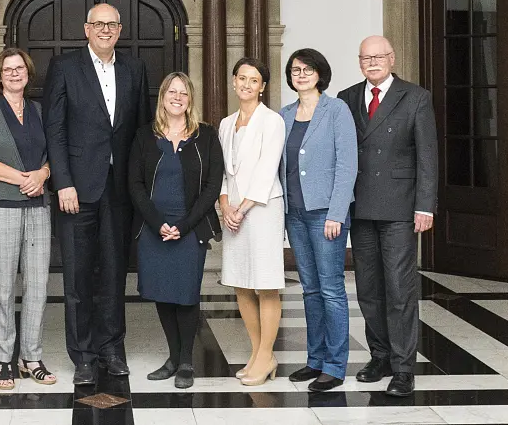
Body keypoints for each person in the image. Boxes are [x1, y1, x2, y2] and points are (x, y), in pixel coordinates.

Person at [43, 3, 151, 385]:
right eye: (98, 24)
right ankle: (84, 355)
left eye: (112, 24)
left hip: (119, 190)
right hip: (77, 189)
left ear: (120, 30)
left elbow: (140, 133)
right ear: (86, 28)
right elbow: (54, 130)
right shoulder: (65, 67)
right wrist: (63, 182)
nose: (105, 30)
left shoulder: (135, 69)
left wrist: (140, 187)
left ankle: (111, 348)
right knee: (77, 278)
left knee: (113, 273)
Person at [337, 36, 438, 397]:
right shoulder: (347, 98)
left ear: (392, 58)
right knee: (368, 288)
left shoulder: (416, 96)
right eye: (366, 58)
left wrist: (425, 205)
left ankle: (403, 367)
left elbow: (427, 154)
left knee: (399, 288)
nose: (372, 62)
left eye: (379, 56)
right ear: (359, 61)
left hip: (399, 207)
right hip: (360, 206)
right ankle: (378, 355)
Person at [129, 72, 223, 389]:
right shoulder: (145, 136)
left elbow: (212, 186)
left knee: (185, 295)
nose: (178, 97)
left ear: (190, 99)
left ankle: (186, 361)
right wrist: (158, 224)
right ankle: (172, 357)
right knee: (162, 295)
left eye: (183, 92)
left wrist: (183, 226)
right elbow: (135, 185)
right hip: (153, 229)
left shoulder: (206, 136)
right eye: (172, 91)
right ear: (163, 97)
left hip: (191, 228)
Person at [0, 48, 55, 391]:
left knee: (38, 286)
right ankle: (4, 359)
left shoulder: (37, 110)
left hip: (38, 206)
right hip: (2, 204)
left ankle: (30, 356)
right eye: (8, 70)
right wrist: (23, 178)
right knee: (4, 287)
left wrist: (44, 174)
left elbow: (51, 156)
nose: (15, 74)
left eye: (20, 68)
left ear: (28, 73)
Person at [279, 49, 357, 393]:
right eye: (295, 70)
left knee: (331, 290)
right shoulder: (283, 115)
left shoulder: (336, 109)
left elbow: (347, 165)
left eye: (308, 69)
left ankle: (335, 365)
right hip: (294, 214)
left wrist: (337, 213)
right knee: (309, 289)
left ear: (320, 73)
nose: (301, 74)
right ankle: (315, 359)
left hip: (326, 214)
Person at [217, 57, 286, 386]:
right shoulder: (226, 123)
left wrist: (241, 209)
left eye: (253, 80)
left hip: (261, 209)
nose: (246, 84)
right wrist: (225, 204)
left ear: (263, 87)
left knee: (266, 282)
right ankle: (260, 354)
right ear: (233, 82)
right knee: (241, 282)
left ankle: (266, 354)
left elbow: (266, 169)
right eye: (241, 78)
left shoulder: (272, 121)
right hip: (233, 212)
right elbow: (224, 173)